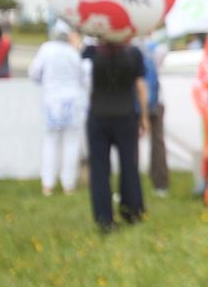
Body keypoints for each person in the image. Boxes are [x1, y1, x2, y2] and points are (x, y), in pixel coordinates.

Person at [82, 37, 149, 233]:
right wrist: (144, 115)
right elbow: (140, 87)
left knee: (100, 171)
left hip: (98, 116)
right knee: (129, 165)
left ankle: (104, 219)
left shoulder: (91, 52)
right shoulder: (133, 53)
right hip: (125, 115)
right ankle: (132, 210)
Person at [28, 21, 89, 196]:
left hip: (51, 102)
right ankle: (68, 185)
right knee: (71, 143)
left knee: (50, 142)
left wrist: (47, 83)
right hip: (72, 103)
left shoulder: (46, 49)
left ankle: (48, 184)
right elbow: (83, 78)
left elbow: (34, 72)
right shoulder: (73, 52)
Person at [139, 36, 168, 197]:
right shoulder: (158, 48)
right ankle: (161, 184)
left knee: (131, 146)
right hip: (156, 101)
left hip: (136, 102)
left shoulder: (132, 46)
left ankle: (131, 185)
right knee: (158, 142)